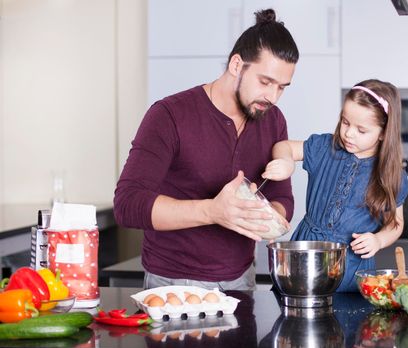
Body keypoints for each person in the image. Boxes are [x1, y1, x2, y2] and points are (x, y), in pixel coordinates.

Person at [114, 9, 299, 291]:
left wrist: (268, 216)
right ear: (237, 65)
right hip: (174, 284)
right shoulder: (169, 115)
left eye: (282, 88)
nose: (272, 97)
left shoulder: (273, 121)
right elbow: (127, 205)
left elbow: (282, 197)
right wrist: (212, 211)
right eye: (265, 82)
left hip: (242, 279)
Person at [262, 79, 408, 292]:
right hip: (305, 256)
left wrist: (378, 240)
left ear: (383, 133)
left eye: (361, 130)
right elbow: (284, 146)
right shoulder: (325, 148)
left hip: (352, 272)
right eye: (345, 122)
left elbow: (395, 223)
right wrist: (285, 162)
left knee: (348, 322)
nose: (349, 133)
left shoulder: (392, 175)